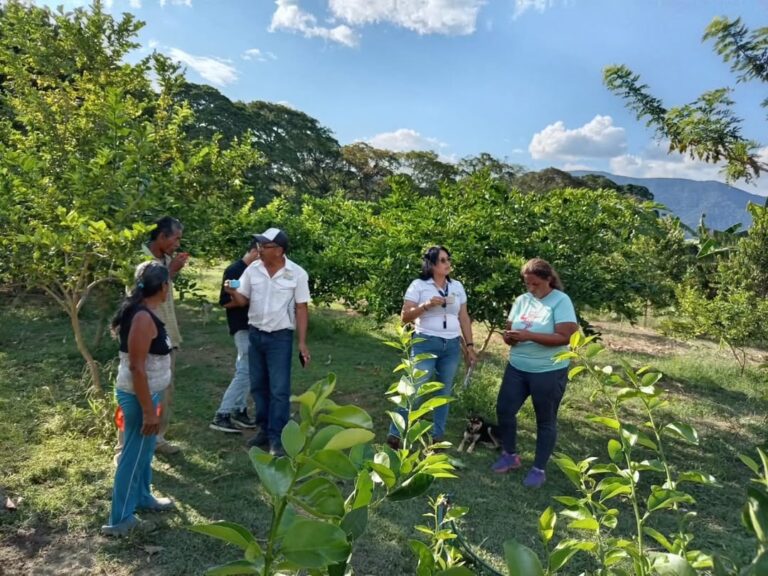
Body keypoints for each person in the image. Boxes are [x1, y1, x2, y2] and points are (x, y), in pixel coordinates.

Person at [102, 263, 176, 537]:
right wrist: (148, 411)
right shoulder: (143, 318)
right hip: (137, 398)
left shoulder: (143, 310)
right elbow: (137, 367)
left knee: (144, 452)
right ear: (164, 287)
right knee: (132, 456)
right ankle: (119, 518)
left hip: (149, 394)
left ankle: (143, 497)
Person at [492, 258, 578, 488]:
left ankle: (539, 468)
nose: (531, 288)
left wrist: (529, 336)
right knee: (504, 410)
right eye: (527, 284)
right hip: (518, 367)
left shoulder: (561, 301)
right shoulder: (522, 301)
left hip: (548, 370)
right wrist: (508, 337)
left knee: (545, 419)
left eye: (535, 284)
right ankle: (510, 455)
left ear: (548, 279)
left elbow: (565, 337)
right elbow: (509, 331)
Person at [224, 228, 311, 456]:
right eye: (259, 245)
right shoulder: (253, 269)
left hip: (280, 338)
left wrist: (302, 343)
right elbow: (242, 300)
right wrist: (231, 291)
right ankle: (264, 429)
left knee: (279, 390)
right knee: (258, 386)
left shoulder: (297, 274)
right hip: (255, 334)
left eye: (265, 246)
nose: (259, 250)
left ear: (280, 250)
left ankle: (277, 438)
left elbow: (301, 308)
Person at [387, 246, 477, 449]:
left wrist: (469, 345)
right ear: (432, 264)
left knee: (443, 391)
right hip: (426, 341)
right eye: (443, 260)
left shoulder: (457, 286)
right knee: (414, 388)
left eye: (448, 259)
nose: (448, 264)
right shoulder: (419, 285)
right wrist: (426, 305)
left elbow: (463, 316)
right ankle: (396, 434)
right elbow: (405, 317)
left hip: (451, 345)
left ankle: (436, 438)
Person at [133, 216, 188, 455]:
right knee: (139, 390)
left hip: (167, 336)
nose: (177, 244)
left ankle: (157, 439)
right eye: (175, 238)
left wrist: (170, 268)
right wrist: (170, 270)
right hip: (145, 336)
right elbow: (139, 295)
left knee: (165, 390)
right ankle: (127, 444)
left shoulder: (165, 260)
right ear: (161, 236)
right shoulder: (141, 261)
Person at [209, 238, 261, 433]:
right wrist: (243, 300)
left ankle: (240, 410)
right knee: (245, 370)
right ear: (255, 251)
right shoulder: (234, 270)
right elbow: (224, 302)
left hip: (255, 325)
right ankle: (222, 414)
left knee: (247, 368)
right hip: (241, 326)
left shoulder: (256, 271)